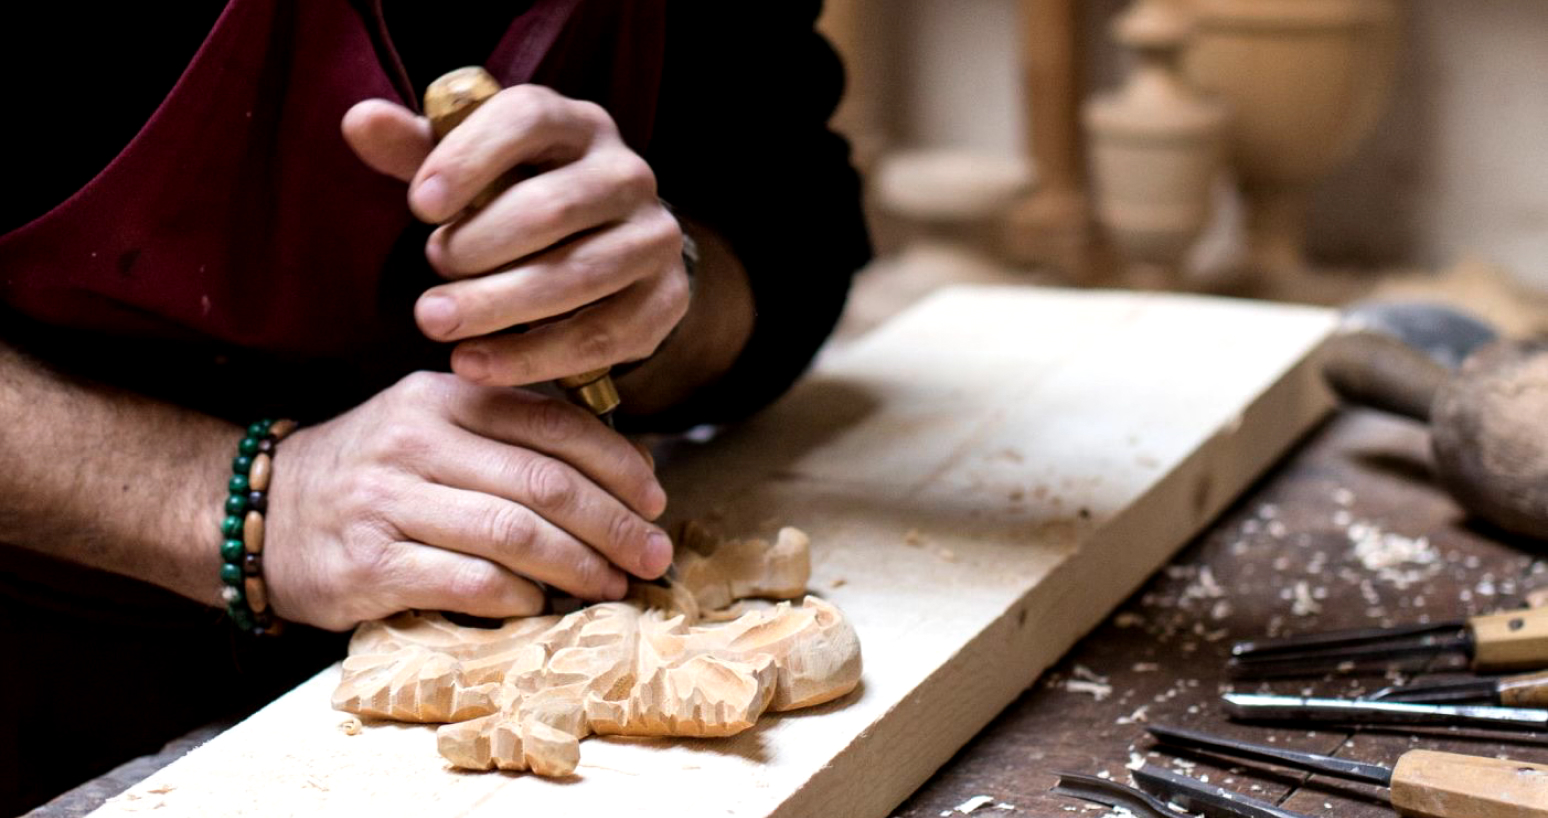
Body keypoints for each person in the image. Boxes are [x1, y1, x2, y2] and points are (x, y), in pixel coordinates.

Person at [0, 1, 870, 811]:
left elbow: (793, 216)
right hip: (46, 673)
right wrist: (235, 497)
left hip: (513, 607)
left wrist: (650, 303)